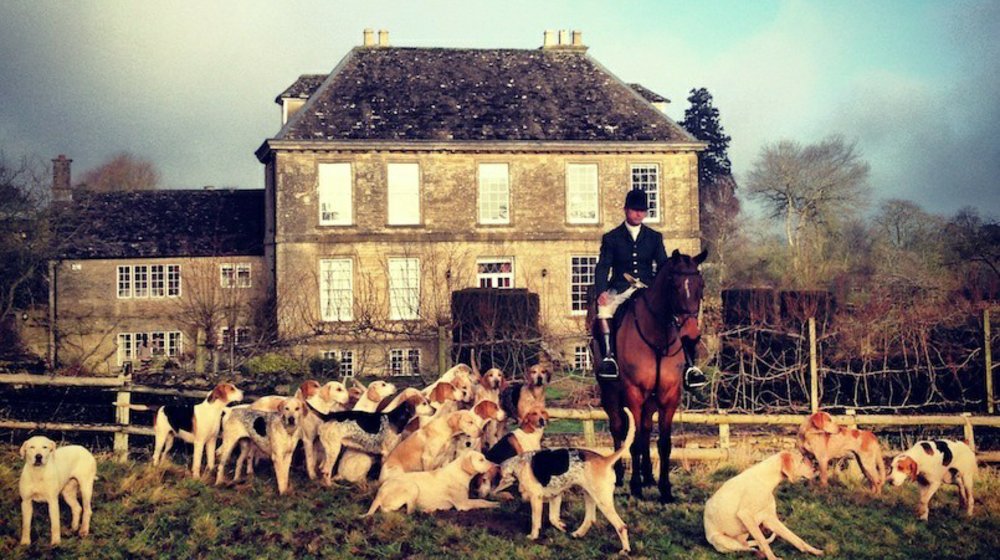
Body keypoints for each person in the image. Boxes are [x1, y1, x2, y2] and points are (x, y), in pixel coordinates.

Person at [593, 188, 707, 389]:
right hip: (620, 287)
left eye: (642, 210)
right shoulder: (611, 237)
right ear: (626, 210)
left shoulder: (654, 237)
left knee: (679, 316)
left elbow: (662, 265)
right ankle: (609, 358)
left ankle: (690, 367)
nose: (639, 214)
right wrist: (601, 291)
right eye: (635, 210)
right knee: (604, 310)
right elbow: (603, 266)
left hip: (647, 288)